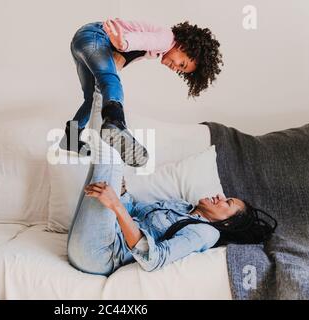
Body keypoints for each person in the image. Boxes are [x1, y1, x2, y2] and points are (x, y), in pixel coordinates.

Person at [67, 130, 277, 275]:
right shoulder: (181, 206)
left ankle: (107, 88)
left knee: (110, 152)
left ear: (228, 223)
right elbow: (134, 211)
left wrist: (115, 206)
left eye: (227, 202)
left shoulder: (205, 233)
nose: (219, 197)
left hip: (102, 253)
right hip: (91, 238)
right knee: (106, 158)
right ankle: (93, 106)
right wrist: (121, 194)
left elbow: (153, 258)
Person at [60, 18, 224, 167]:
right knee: (110, 80)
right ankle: (114, 121)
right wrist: (123, 43)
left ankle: (70, 139)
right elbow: (143, 40)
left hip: (81, 41)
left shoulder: (153, 51)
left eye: (181, 70)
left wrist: (119, 56)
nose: (176, 69)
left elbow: (129, 53)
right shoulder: (166, 39)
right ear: (184, 46)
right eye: (182, 64)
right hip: (95, 36)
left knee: (91, 97)